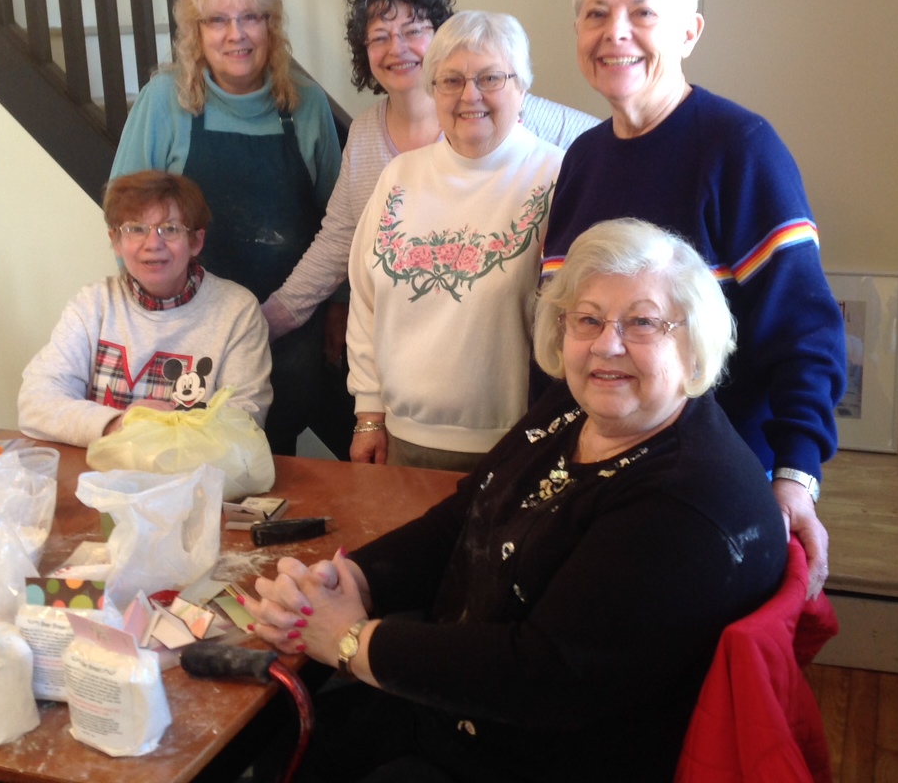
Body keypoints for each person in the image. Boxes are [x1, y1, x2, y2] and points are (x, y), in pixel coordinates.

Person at [242, 218, 789, 783]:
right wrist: (354, 581)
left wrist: (352, 639)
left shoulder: (686, 502)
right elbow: (466, 515)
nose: (607, 344)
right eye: (588, 319)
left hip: (535, 756)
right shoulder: (576, 408)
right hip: (456, 714)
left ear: (694, 340)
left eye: (643, 322)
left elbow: (545, 675)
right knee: (275, 742)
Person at [539, 0, 846, 597]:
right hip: (601, 488)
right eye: (596, 13)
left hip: (711, 496)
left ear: (688, 31)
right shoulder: (583, 159)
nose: (615, 32)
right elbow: (567, 334)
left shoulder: (741, 150)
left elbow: (807, 335)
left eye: (642, 12)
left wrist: (797, 475)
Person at [261, 0, 599, 347]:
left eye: (413, 31)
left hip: (501, 354)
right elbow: (339, 241)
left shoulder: (503, 109)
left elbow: (603, 147)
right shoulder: (365, 133)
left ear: (442, 38)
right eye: (379, 37)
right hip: (398, 355)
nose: (397, 49)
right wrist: (270, 319)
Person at [109, 0, 340, 456]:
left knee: (267, 466)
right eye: (217, 20)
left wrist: (339, 311)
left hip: (289, 329)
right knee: (180, 461)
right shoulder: (163, 101)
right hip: (186, 334)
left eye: (250, 17)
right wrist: (143, 320)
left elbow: (341, 226)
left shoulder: (306, 106)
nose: (236, 34)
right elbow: (126, 216)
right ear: (198, 32)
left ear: (270, 26)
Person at [346, 10, 564, 471]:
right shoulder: (399, 177)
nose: (470, 95)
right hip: (399, 441)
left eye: (490, 78)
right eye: (451, 80)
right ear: (433, 90)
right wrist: (369, 414)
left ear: (521, 87)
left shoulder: (556, 175)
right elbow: (365, 301)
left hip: (513, 449)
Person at [18, 170, 271, 446]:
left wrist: (158, 431)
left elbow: (245, 422)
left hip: (191, 480)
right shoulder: (93, 304)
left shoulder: (237, 311)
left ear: (196, 241)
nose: (153, 244)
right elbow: (36, 400)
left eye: (170, 229)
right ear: (116, 241)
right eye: (136, 229)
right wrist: (121, 423)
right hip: (101, 479)